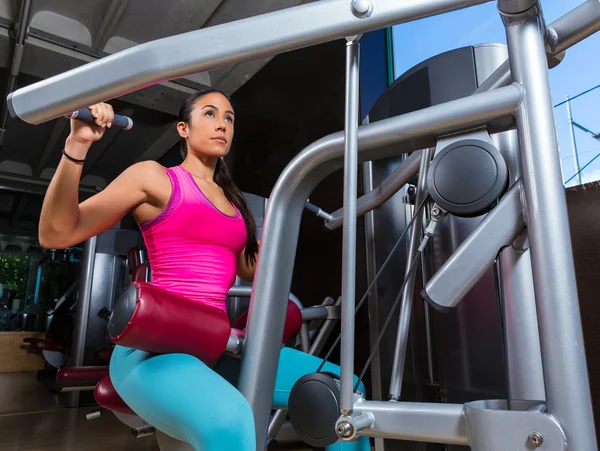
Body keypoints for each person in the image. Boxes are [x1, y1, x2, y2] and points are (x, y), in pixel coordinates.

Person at [38, 89, 369, 451]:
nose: (222, 125)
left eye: (229, 118)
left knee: (346, 392)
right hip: (153, 348)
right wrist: (78, 145)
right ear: (183, 128)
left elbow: (254, 271)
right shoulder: (154, 177)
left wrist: (284, 219)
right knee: (230, 419)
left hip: (213, 344)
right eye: (210, 114)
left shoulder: (234, 202)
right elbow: (57, 233)